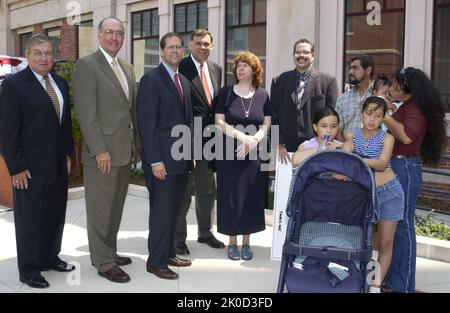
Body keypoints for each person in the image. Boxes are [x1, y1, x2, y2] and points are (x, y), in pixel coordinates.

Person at [0, 33, 74, 288]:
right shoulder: (13, 85)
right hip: (29, 168)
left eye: (48, 53)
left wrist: (67, 154)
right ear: (28, 56)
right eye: (38, 53)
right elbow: (7, 132)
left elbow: (63, 126)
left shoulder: (61, 83)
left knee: (55, 213)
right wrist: (16, 167)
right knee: (31, 219)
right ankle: (29, 268)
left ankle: (49, 257)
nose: (44, 58)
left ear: (54, 56)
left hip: (57, 164)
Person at [73, 17, 137, 283]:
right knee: (101, 210)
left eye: (119, 33)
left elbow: (128, 110)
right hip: (103, 154)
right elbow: (87, 115)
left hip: (123, 151)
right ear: (99, 36)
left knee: (115, 208)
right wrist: (99, 149)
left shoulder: (127, 67)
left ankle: (109, 250)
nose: (114, 37)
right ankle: (103, 261)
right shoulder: (86, 66)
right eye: (109, 32)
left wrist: (136, 148)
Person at [383, 67, 447, 293]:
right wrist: (390, 108)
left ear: (406, 88)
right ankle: (393, 281)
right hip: (398, 166)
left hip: (405, 168)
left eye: (395, 84)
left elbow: (405, 136)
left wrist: (384, 113)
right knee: (394, 225)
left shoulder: (416, 108)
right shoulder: (407, 106)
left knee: (403, 226)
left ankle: (404, 285)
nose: (391, 88)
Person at [137, 32, 193, 280]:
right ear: (161, 51)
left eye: (179, 47)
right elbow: (147, 125)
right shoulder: (151, 80)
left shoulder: (183, 81)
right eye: (170, 47)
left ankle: (169, 253)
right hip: (162, 162)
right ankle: (156, 262)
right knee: (161, 213)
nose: (175, 50)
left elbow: (187, 122)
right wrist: (155, 161)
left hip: (181, 160)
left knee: (173, 212)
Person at [343, 96, 405, 293]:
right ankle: (365, 281)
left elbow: (381, 163)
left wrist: (357, 159)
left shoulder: (388, 137)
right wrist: (348, 155)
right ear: (362, 113)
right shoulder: (352, 136)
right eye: (369, 113)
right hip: (365, 194)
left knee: (385, 243)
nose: (372, 119)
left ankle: (375, 287)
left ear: (383, 119)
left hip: (390, 193)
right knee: (367, 241)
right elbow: (345, 156)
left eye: (378, 116)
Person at [215, 51, 271, 261]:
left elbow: (267, 123)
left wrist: (254, 140)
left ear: (254, 70)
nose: (240, 68)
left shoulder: (263, 94)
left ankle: (246, 242)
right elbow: (219, 122)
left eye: (245, 65)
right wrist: (242, 137)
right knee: (230, 196)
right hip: (228, 153)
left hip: (254, 153)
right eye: (238, 65)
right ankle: (232, 242)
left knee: (250, 196)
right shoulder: (226, 93)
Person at [175, 29, 225, 255]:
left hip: (211, 141)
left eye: (206, 44)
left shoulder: (216, 69)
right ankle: (178, 238)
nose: (203, 47)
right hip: (186, 139)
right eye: (198, 44)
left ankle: (205, 232)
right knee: (184, 192)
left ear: (212, 46)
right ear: (190, 46)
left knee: (207, 189)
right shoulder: (180, 68)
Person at [271, 38, 338, 164]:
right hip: (285, 150)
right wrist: (278, 143)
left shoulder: (328, 81)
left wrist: (324, 143)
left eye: (305, 52)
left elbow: (331, 117)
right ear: (293, 55)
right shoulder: (278, 81)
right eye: (298, 52)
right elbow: (273, 115)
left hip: (316, 147)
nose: (301, 55)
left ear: (313, 56)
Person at [336, 55, 375, 136]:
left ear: (368, 70)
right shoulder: (343, 99)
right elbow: (338, 130)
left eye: (355, 68)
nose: (350, 72)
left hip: (373, 147)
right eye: (350, 68)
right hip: (346, 147)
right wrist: (344, 147)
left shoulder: (380, 95)